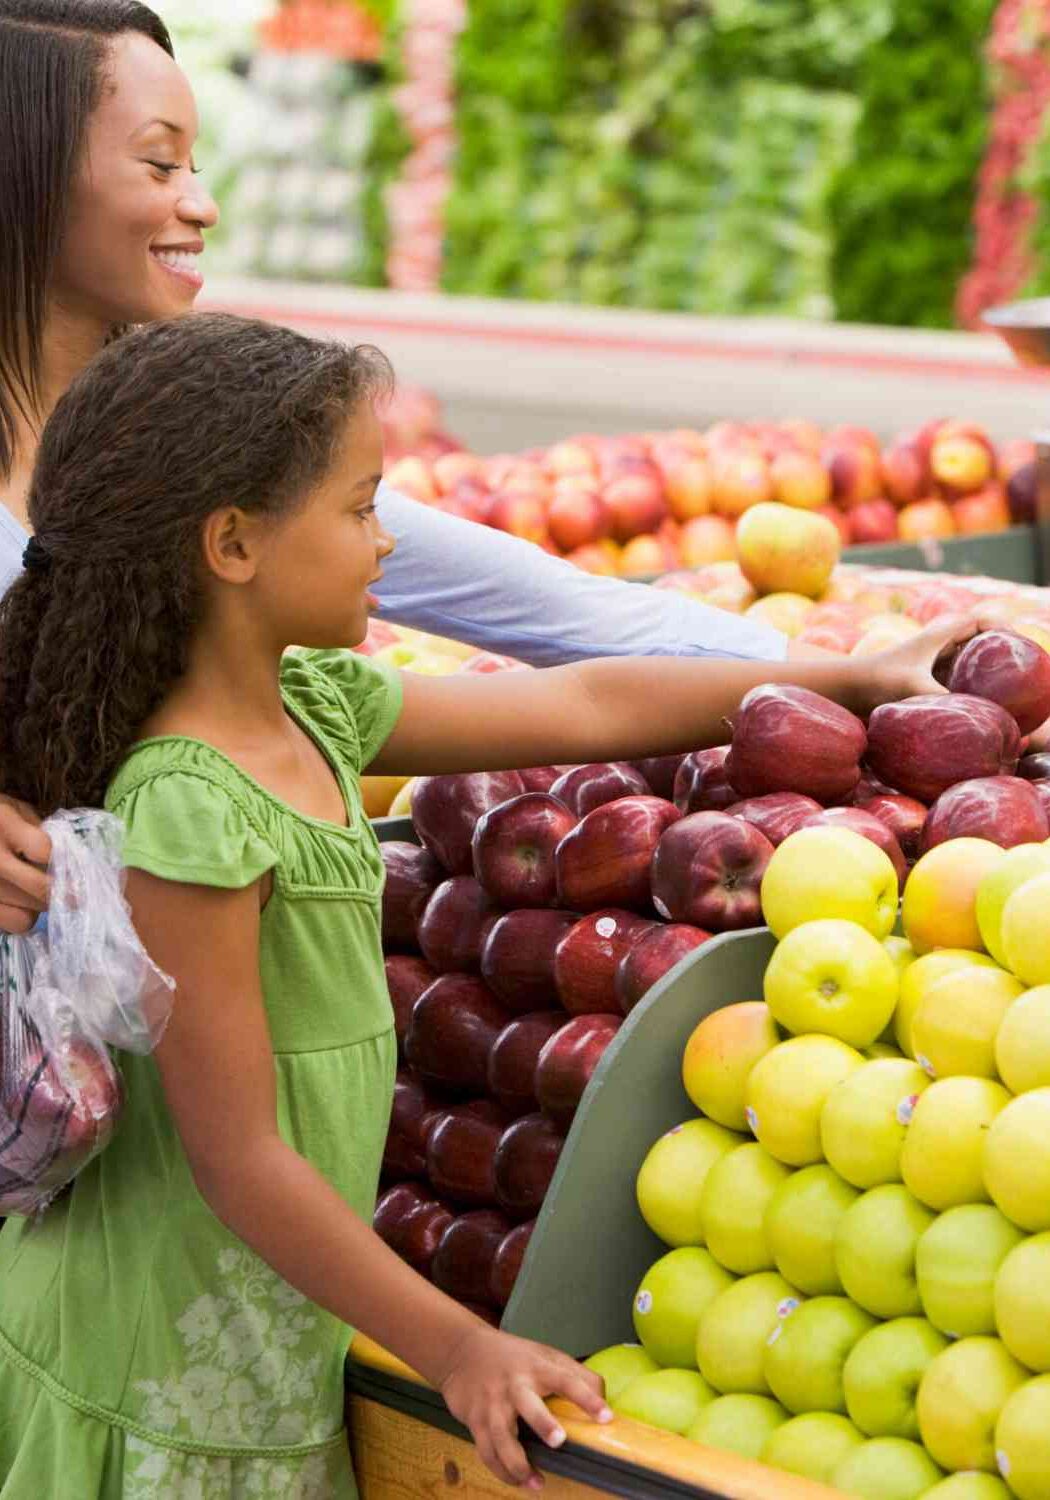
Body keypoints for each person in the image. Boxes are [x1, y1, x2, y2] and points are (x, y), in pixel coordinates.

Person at [0, 312, 977, 1498]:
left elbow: (588, 708)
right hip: (158, 1359)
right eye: (360, 509)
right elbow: (239, 1158)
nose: (384, 545)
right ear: (233, 545)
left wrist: (847, 678)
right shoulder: (191, 811)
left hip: (261, 1326)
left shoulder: (314, 703)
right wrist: (456, 1346)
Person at [0, 0, 800, 936]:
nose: (201, 203)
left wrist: (857, 681)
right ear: (30, 174)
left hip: (144, 1021)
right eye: (158, 162)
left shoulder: (188, 437)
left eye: (196, 166)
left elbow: (570, 627)